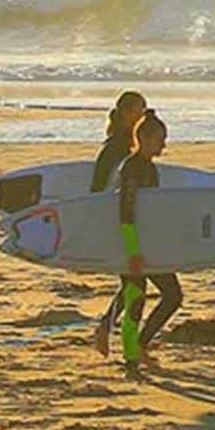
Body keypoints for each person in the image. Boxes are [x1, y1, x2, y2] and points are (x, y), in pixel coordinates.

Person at [117, 109, 183, 373]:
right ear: (143, 138)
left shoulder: (149, 169)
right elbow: (126, 212)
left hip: (149, 243)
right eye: (160, 139)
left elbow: (153, 211)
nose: (164, 144)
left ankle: (140, 345)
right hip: (129, 243)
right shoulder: (131, 169)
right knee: (136, 297)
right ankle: (131, 358)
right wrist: (132, 251)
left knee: (173, 295)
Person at [90, 90, 146, 358]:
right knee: (135, 285)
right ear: (125, 113)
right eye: (139, 109)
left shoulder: (129, 147)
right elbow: (98, 188)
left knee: (133, 285)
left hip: (127, 221)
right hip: (118, 222)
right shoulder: (115, 148)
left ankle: (110, 331)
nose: (143, 114)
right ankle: (131, 349)